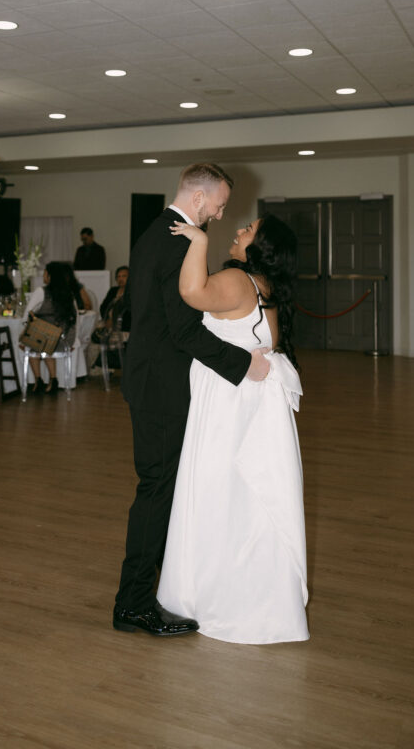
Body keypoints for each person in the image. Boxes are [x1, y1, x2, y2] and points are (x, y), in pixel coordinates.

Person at [113, 163, 270, 637]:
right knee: (156, 491)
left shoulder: (154, 233)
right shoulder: (180, 241)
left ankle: (154, 593)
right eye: (220, 205)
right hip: (161, 384)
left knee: (158, 489)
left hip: (149, 376)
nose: (221, 215)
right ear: (199, 199)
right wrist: (244, 365)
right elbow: (182, 330)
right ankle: (133, 605)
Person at [158, 214, 308, 644]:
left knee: (216, 493)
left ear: (261, 246)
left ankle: (214, 595)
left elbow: (191, 292)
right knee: (243, 499)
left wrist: (198, 241)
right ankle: (254, 591)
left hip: (227, 401)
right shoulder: (265, 287)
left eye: (249, 230)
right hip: (251, 402)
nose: (239, 231)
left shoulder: (237, 281)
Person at [21, 262, 77, 395]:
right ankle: (53, 380)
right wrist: (74, 341)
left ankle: (38, 380)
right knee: (43, 342)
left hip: (48, 340)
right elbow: (76, 318)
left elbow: (26, 316)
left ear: (50, 276)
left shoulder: (42, 291)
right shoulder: (69, 293)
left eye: (45, 273)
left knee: (31, 341)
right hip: (64, 341)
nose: (43, 276)